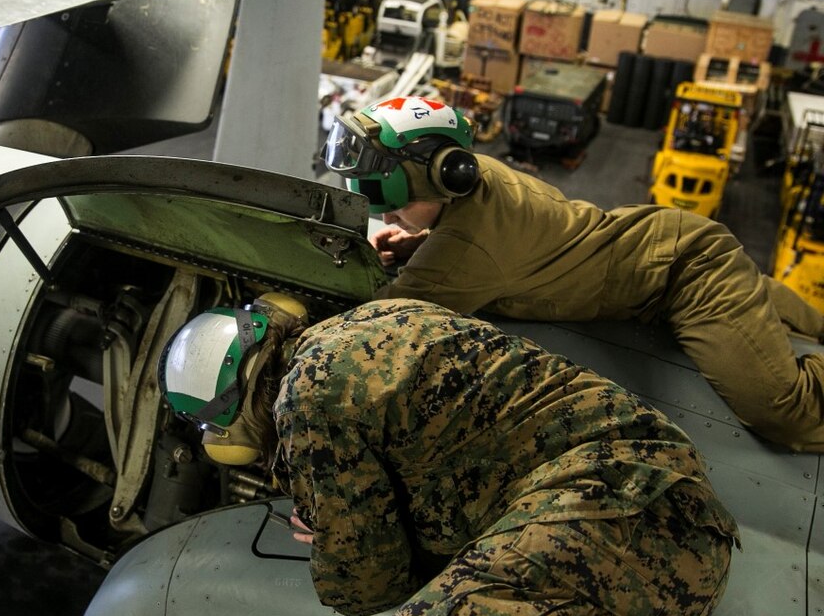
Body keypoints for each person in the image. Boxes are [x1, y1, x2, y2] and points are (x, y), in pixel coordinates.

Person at [158, 294, 739, 616]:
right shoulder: (378, 317)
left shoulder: (305, 403)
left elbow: (363, 585)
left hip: (622, 518)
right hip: (648, 493)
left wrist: (324, 522)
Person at [320, 95, 824, 452]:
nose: (384, 217)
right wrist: (419, 241)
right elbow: (482, 241)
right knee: (805, 329)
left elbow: (380, 324)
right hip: (654, 251)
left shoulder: (469, 247)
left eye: (390, 199)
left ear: (447, 176)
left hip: (685, 275)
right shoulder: (476, 180)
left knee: (783, 412)